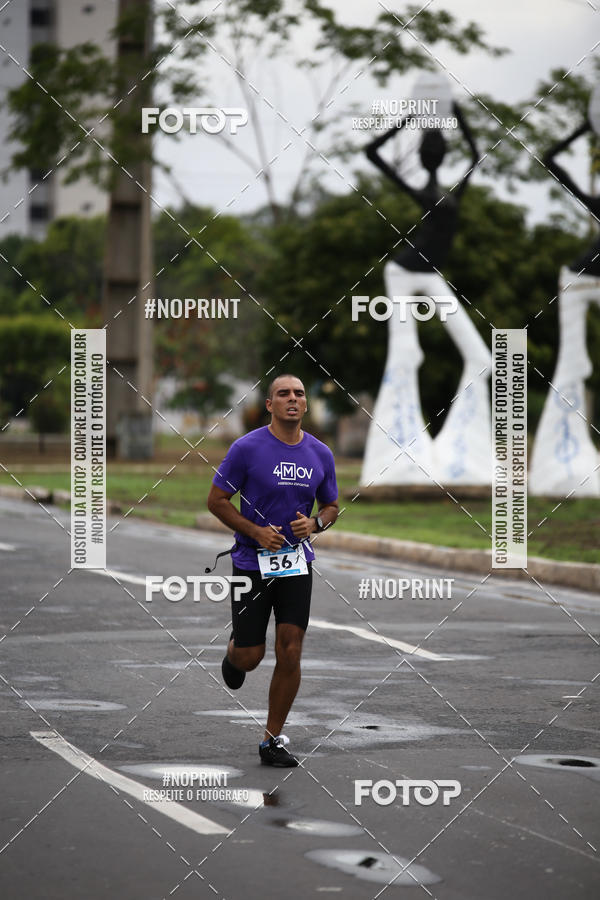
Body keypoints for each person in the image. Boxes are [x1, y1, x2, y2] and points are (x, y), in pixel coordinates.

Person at [207, 374, 339, 766]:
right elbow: (217, 500)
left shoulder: (320, 453)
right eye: (284, 394)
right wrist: (255, 532)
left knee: (291, 649)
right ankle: (234, 654)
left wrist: (316, 524)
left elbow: (332, 506)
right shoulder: (247, 448)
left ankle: (272, 739)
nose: (293, 399)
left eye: (300, 393)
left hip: (296, 564)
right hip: (251, 563)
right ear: (270, 404)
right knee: (251, 656)